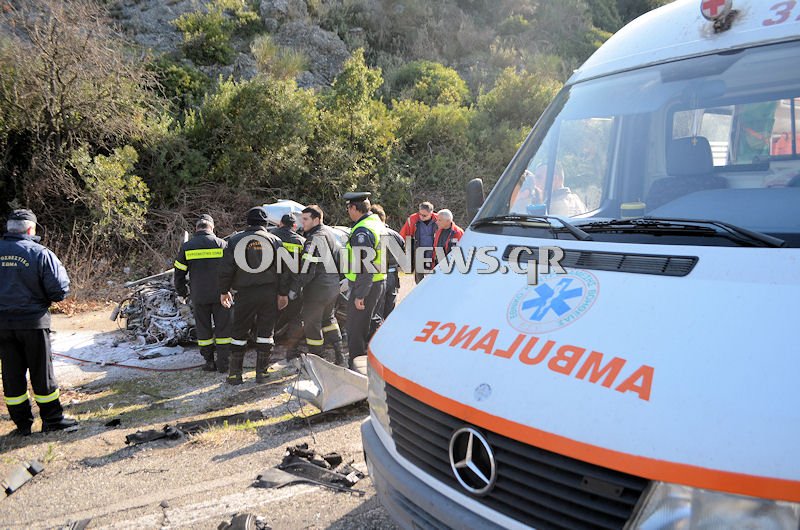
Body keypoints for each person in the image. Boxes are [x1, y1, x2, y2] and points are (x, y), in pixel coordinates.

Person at [0, 209, 78, 435]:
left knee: (12, 376)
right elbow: (59, 290)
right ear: (30, 229)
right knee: (41, 373)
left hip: (2, 326)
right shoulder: (40, 253)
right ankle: (52, 420)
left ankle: (22, 424)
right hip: (33, 323)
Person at [218, 207, 289, 385]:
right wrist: (282, 294)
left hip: (245, 294)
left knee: (238, 333)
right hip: (269, 293)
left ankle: (235, 375)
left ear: (247, 222)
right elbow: (284, 271)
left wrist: (224, 291)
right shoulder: (275, 241)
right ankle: (262, 374)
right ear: (265, 223)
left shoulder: (234, 240)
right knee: (266, 333)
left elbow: (226, 269)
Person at [173, 214, 231, 373]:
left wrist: (182, 292)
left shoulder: (187, 247)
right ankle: (224, 363)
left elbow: (179, 273)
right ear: (212, 228)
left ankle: (209, 362)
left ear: (196, 228)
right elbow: (231, 270)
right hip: (222, 295)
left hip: (199, 296)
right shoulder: (222, 244)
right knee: (223, 329)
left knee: (203, 330)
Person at [292, 205, 346, 366]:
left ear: (317, 219)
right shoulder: (329, 233)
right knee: (329, 319)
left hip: (317, 288)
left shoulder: (314, 238)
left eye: (306, 219)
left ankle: (317, 360)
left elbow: (308, 268)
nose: (303, 223)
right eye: (302, 219)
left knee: (312, 324)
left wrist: (296, 288)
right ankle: (339, 353)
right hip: (332, 286)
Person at [343, 192, 386, 365]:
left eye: (348, 208)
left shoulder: (362, 230)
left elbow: (365, 265)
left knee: (356, 329)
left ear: (354, 208)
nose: (348, 212)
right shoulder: (376, 223)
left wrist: (360, 294)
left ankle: (357, 366)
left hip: (366, 285)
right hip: (378, 281)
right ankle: (375, 360)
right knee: (371, 324)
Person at [269, 213, 306, 353]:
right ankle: (292, 348)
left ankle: (268, 345)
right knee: (295, 317)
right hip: (293, 286)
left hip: (271, 285)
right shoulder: (301, 241)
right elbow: (304, 268)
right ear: (294, 226)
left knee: (269, 316)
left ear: (280, 223)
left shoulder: (270, 237)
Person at [511, 164, 587, 217]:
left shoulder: (554, 205)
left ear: (555, 179)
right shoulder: (577, 199)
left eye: (539, 177)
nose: (535, 182)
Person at [370, 204, 404, 320]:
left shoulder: (371, 234)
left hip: (378, 276)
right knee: (390, 310)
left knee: (377, 311)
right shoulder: (395, 234)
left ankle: (376, 335)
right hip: (393, 276)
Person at [399, 202, 438, 283]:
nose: (421, 217)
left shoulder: (439, 219)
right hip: (418, 253)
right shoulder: (412, 219)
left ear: (431, 213)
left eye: (424, 215)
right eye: (420, 214)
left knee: (434, 279)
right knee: (419, 280)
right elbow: (402, 236)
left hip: (435, 254)